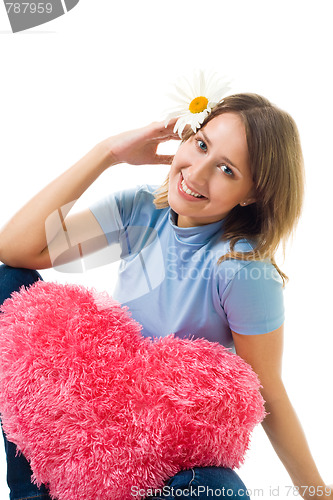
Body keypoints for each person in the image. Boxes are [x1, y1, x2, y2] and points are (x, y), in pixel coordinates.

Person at [0, 92, 332, 500]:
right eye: (202, 144)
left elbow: (267, 390)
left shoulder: (241, 268)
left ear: (252, 194)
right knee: (10, 285)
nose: (196, 174)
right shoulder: (143, 209)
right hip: (101, 409)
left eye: (226, 169)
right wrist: (106, 153)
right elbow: (16, 250)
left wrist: (314, 490)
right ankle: (33, 489)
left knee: (219, 490)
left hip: (163, 445)